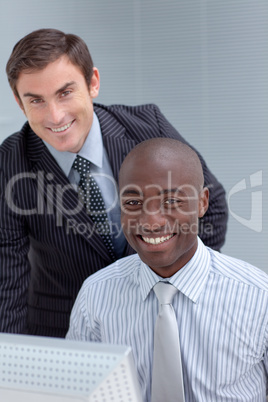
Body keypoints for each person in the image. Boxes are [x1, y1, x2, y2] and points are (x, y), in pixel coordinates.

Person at [0, 28, 228, 338]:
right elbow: (8, 278)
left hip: (158, 315)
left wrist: (169, 283)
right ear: (18, 101)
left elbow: (211, 206)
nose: (55, 116)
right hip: (63, 329)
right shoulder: (11, 160)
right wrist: (11, 365)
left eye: (65, 92)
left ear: (92, 82)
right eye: (36, 100)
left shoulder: (147, 126)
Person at [66, 138, 268, 401]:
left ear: (202, 203)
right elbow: (75, 394)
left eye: (172, 201)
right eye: (133, 203)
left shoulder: (258, 296)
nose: (151, 222)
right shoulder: (95, 295)